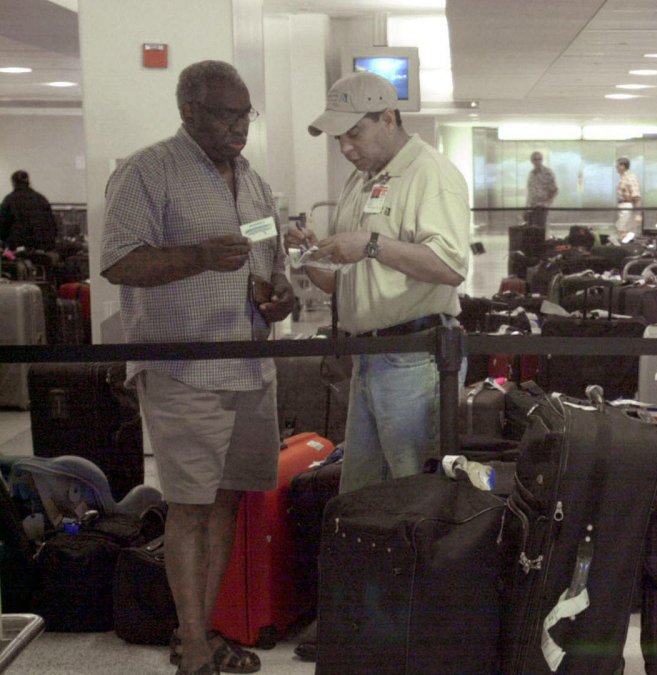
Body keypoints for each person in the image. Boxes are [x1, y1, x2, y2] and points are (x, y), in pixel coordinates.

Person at [101, 60, 293, 675]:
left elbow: (270, 254)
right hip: (184, 368)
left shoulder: (253, 180)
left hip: (249, 365)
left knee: (229, 500)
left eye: (245, 115)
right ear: (189, 110)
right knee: (190, 505)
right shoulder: (147, 170)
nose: (239, 127)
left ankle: (201, 633)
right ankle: (191, 648)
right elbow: (119, 262)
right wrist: (199, 257)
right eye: (225, 114)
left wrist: (279, 293)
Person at [286, 69, 470, 664]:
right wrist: (309, 257)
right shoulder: (363, 181)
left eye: (353, 133)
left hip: (415, 358)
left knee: (416, 498)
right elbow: (350, 277)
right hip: (371, 358)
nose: (345, 147)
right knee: (362, 497)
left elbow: (448, 265)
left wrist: (367, 244)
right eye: (338, 138)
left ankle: (420, 630)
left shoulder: (430, 174)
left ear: (388, 118)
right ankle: (364, 623)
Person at [0, 170, 58, 251]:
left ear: (13, 183)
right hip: (42, 251)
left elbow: (2, 227)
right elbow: (53, 227)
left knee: (5, 254)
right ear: (28, 182)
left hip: (17, 251)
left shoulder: (9, 200)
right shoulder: (41, 199)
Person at [525, 151, 557, 228]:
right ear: (532, 161)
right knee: (530, 230)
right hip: (531, 206)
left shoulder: (547, 172)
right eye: (535, 159)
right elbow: (530, 192)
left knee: (540, 229)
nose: (537, 161)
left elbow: (554, 190)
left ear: (542, 160)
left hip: (542, 207)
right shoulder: (531, 174)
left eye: (539, 159)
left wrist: (546, 204)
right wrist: (526, 208)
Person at [614, 156, 641, 238]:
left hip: (627, 206)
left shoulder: (630, 177)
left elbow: (636, 196)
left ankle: (625, 248)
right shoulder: (623, 177)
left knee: (624, 231)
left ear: (623, 166)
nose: (616, 167)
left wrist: (638, 214)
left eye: (617, 165)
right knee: (621, 230)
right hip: (623, 206)